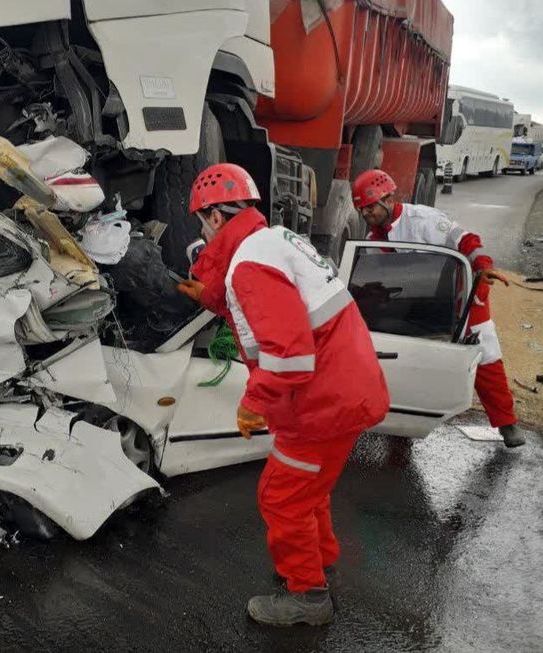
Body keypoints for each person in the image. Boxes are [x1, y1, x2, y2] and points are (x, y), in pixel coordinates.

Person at [177, 163, 390, 627]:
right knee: (311, 490)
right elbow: (270, 303)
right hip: (348, 391)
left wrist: (253, 403)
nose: (204, 232)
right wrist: (213, 296)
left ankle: (308, 597)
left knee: (282, 496)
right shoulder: (272, 240)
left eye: (202, 222)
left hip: (321, 402)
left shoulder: (250, 265)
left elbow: (290, 355)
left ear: (214, 217)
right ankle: (320, 561)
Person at [351, 169, 525, 448]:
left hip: (462, 291)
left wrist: (484, 267)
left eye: (370, 206)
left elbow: (467, 241)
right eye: (362, 209)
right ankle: (405, 422)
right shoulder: (373, 241)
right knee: (405, 353)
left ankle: (507, 423)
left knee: (485, 352)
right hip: (419, 300)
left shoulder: (423, 220)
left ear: (387, 198)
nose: (367, 214)